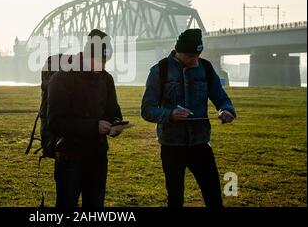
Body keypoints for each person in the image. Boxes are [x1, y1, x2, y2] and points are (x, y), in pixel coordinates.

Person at [141, 28, 236, 207]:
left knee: (214, 195)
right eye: (191, 56)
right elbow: (147, 110)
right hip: (171, 146)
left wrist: (226, 110)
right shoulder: (159, 70)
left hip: (200, 143)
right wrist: (170, 114)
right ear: (178, 52)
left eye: (197, 55)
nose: (195, 60)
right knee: (175, 198)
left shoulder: (205, 68)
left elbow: (220, 96)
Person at [47, 29, 123, 207]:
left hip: (98, 157)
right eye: (99, 61)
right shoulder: (62, 78)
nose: (102, 66)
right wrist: (94, 126)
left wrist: (116, 124)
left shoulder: (106, 78)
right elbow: (55, 122)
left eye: (105, 61)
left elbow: (113, 111)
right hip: (69, 158)